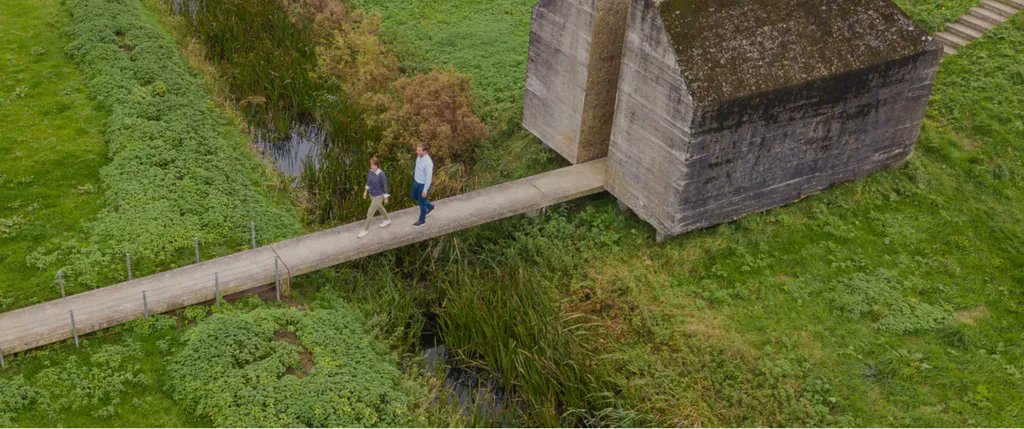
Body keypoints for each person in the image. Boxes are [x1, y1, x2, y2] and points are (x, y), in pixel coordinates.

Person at [359, 156, 391, 238]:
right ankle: (387, 220)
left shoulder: (381, 175)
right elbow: (368, 182)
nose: (371, 166)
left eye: (372, 165)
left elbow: (385, 186)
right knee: (380, 207)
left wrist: (385, 197)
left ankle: (365, 230)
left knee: (370, 213)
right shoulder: (371, 172)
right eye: (370, 165)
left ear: (376, 166)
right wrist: (365, 192)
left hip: (378, 196)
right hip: (372, 195)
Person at [412, 143, 435, 227]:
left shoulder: (428, 163)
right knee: (415, 197)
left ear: (425, 151)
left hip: (423, 185)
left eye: (419, 150)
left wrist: (425, 190)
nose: (416, 152)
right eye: (417, 150)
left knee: (421, 203)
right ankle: (430, 206)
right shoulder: (419, 157)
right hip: (416, 182)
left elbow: (429, 178)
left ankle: (422, 220)